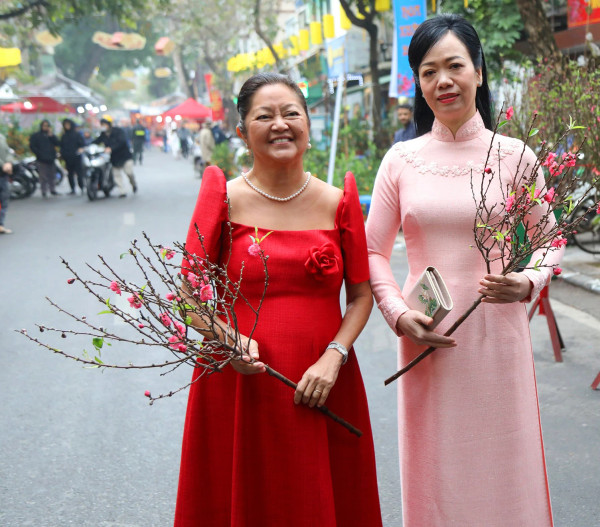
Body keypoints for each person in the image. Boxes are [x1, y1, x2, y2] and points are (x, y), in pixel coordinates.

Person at [365, 14, 562, 526]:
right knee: (436, 465)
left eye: (455, 66)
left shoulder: (515, 156)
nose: (443, 81)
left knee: (504, 457)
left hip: (497, 335)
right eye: (429, 72)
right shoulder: (400, 161)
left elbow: (549, 239)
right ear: (419, 84)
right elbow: (371, 253)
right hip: (426, 335)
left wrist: (526, 282)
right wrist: (396, 313)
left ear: (479, 71)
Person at [174, 72, 382, 526]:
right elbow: (188, 292)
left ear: (308, 123)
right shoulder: (222, 198)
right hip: (237, 381)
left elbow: (362, 295)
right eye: (264, 116)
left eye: (291, 113)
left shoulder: (339, 201)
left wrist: (335, 355)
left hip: (321, 381)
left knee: (316, 497)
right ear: (242, 132)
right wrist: (227, 339)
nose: (280, 124)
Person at [93, 116, 137, 198]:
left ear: (109, 124)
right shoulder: (103, 134)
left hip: (125, 156)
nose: (103, 126)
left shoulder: (118, 131)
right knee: (117, 175)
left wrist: (111, 148)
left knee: (129, 173)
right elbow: (96, 141)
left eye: (104, 124)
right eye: (102, 124)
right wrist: (86, 146)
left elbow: (122, 141)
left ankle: (133, 184)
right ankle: (122, 192)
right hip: (114, 158)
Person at [29, 120, 60, 198]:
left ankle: (52, 189)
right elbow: (32, 146)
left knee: (52, 175)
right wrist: (39, 153)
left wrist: (51, 135)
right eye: (44, 126)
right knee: (43, 176)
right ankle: (44, 191)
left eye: (47, 126)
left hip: (51, 158)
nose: (45, 127)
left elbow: (57, 143)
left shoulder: (51, 135)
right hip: (41, 159)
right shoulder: (36, 136)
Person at [60, 119, 85, 195]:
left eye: (68, 125)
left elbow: (82, 144)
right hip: (68, 158)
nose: (67, 126)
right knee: (70, 174)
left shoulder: (77, 134)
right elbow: (62, 146)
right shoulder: (64, 136)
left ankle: (82, 187)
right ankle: (72, 188)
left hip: (76, 157)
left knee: (79, 173)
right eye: (65, 125)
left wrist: (80, 150)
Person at [0, 131, 13, 234]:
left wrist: (8, 162)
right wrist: (3, 165)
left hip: (3, 174)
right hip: (3, 170)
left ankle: (1, 224)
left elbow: (8, 152)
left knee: (4, 200)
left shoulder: (1, 136)